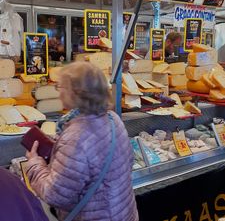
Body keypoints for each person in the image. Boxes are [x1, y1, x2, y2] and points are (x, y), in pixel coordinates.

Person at [25, 61, 139, 221]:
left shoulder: (76, 138)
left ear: (76, 92)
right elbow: (127, 161)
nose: (58, 93)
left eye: (60, 87)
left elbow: (55, 196)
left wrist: (35, 164)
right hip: (123, 212)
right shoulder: (113, 119)